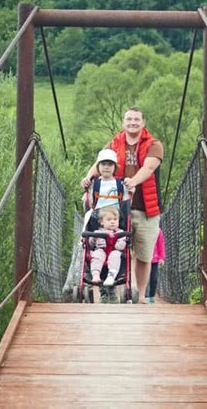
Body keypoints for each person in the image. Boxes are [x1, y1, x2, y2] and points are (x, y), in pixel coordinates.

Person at [81, 107, 163, 303]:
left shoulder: (154, 144)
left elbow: (149, 167)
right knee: (112, 248)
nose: (132, 122)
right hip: (115, 209)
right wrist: (88, 177)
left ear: (143, 123)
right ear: (123, 122)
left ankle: (141, 296)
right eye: (129, 119)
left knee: (143, 255)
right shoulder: (115, 142)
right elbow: (101, 162)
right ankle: (113, 293)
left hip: (146, 209)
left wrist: (132, 181)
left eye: (136, 119)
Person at [89, 207, 127, 287]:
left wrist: (120, 240)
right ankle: (96, 274)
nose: (112, 222)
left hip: (114, 250)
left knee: (115, 255)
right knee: (97, 255)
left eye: (115, 219)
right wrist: (93, 238)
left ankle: (111, 276)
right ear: (101, 222)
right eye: (109, 220)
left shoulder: (121, 233)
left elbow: (120, 247)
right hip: (101, 250)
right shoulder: (98, 232)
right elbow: (91, 245)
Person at [146, 228, 165, 304]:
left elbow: (161, 244)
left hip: (154, 259)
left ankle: (151, 296)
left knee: (154, 278)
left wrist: (161, 257)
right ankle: (145, 296)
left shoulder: (157, 230)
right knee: (144, 278)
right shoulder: (142, 229)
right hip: (144, 259)